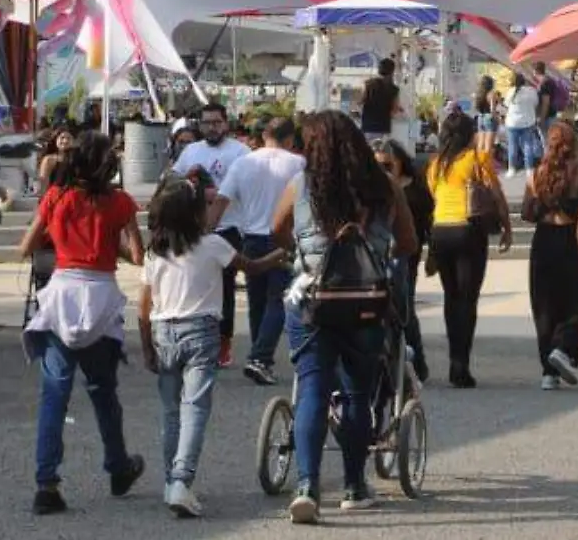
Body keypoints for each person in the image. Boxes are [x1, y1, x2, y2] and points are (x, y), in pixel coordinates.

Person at [269, 110, 419, 522]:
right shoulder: (384, 186)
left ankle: (307, 486)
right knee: (357, 395)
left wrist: (305, 252)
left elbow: (276, 230)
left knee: (314, 389)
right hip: (367, 304)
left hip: (312, 303)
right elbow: (407, 240)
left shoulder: (301, 186)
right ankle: (354, 485)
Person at [138, 175, 286, 518]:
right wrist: (280, 253)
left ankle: (171, 480)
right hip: (201, 332)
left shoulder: (154, 252)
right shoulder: (213, 245)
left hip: (163, 331)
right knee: (195, 409)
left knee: (171, 411)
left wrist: (146, 348)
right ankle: (181, 479)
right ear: (194, 214)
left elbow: (144, 305)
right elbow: (251, 266)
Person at [20, 131, 146, 516]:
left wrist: (61, 239)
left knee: (54, 395)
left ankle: (47, 483)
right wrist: (111, 244)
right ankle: (118, 465)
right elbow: (138, 256)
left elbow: (25, 247)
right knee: (103, 391)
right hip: (100, 296)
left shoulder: (56, 197)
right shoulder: (121, 202)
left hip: (62, 294)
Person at [215, 116, 305, 386]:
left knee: (257, 300)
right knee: (279, 299)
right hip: (283, 238)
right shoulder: (298, 164)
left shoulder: (243, 163)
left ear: (265, 135)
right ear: (290, 139)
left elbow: (221, 199)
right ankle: (260, 357)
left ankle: (258, 354)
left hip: (251, 238)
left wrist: (205, 231)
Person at [426, 109, 513, 387]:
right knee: (468, 298)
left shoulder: (435, 164)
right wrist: (506, 227)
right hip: (468, 231)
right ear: (469, 135)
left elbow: (433, 196)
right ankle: (461, 364)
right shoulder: (477, 158)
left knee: (451, 298)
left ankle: (454, 358)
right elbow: (496, 194)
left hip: (440, 232)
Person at [173, 103, 251, 368]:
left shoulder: (241, 152)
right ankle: (194, 339)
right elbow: (173, 182)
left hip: (229, 228)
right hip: (195, 229)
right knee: (194, 284)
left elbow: (248, 188)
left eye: (216, 122)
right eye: (206, 122)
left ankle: (224, 341)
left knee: (225, 286)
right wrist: (194, 189)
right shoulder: (191, 151)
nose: (211, 127)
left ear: (226, 124)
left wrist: (218, 195)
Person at [524, 120, 578, 390]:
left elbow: (528, 214)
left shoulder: (535, 175)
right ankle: (564, 348)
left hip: (543, 241)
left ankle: (547, 372)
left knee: (543, 306)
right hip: (569, 239)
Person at [373, 137, 432, 384]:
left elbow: (427, 218)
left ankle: (416, 362)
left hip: (405, 251)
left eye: (388, 165)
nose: (383, 171)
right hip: (379, 251)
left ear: (399, 163)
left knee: (403, 306)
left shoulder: (413, 185)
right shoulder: (372, 187)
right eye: (377, 165)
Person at [504, 73, 542, 176]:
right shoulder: (531, 91)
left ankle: (511, 169)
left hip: (512, 122)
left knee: (512, 146)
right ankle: (529, 169)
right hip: (528, 121)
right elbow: (536, 103)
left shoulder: (510, 92)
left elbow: (506, 104)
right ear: (524, 80)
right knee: (528, 145)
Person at [358, 57, 401, 141]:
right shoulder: (394, 89)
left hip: (368, 126)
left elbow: (360, 101)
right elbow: (394, 110)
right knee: (381, 152)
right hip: (383, 127)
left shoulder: (368, 84)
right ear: (392, 71)